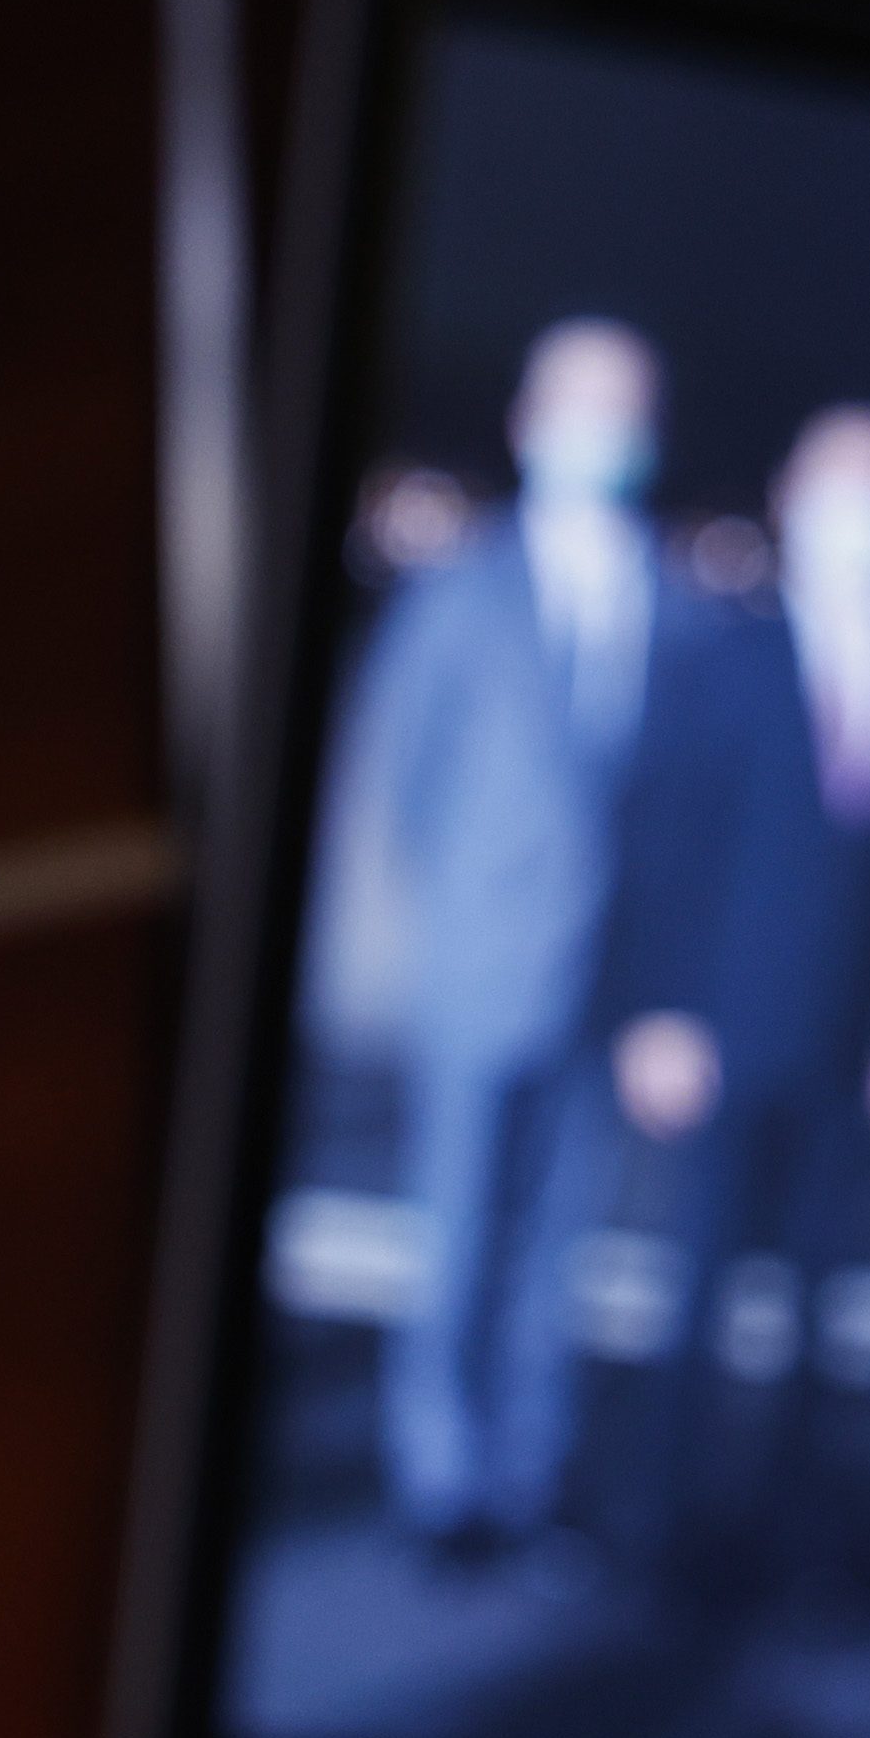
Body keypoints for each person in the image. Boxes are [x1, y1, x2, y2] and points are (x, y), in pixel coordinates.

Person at [525, 402, 870, 1569]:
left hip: (848, 1041)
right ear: (795, 500)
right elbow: (659, 846)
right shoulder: (727, 652)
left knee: (817, 1295)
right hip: (720, 1028)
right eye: (849, 483)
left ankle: (777, 1524)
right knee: (696, 1282)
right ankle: (660, 1523)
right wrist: (654, 1011)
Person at [315, 315, 686, 1535]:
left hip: (611, 975)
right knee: (459, 1225)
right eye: (580, 402)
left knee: (561, 1244)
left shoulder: (672, 601)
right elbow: (410, 778)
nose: (602, 430)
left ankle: (533, 1468)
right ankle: (439, 1471)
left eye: (623, 406)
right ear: (531, 421)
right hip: (481, 967)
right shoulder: (461, 591)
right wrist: (473, 904)